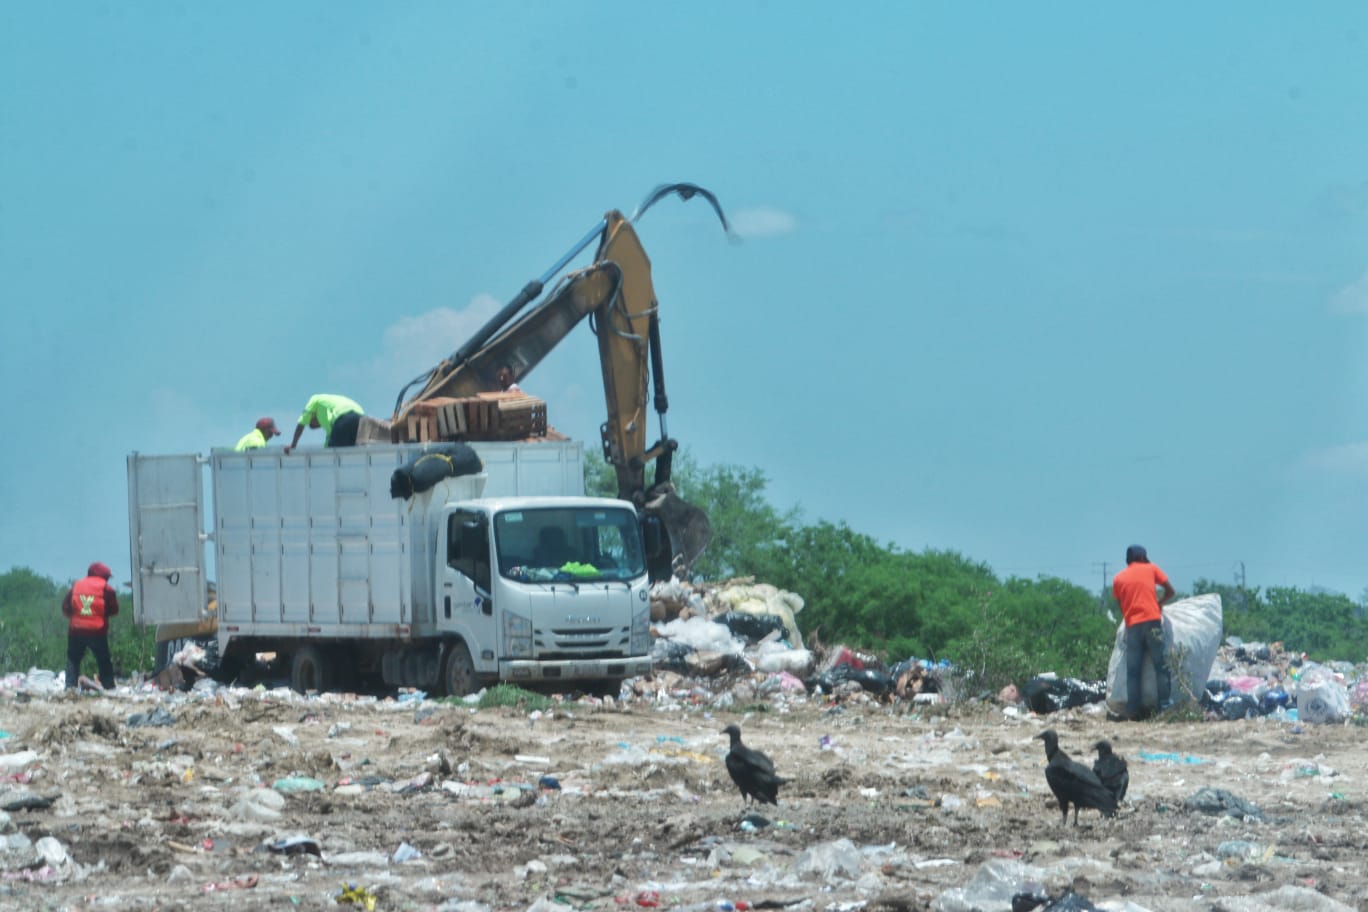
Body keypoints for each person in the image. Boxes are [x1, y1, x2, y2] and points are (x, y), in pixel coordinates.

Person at [1112, 544, 1177, 720]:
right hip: (1153, 622)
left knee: (1133, 671)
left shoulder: (1118, 578)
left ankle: (1134, 710)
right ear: (1143, 557)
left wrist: (1130, 618)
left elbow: (1121, 606)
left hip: (1133, 625)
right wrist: (1159, 603)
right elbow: (1171, 591)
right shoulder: (1151, 568)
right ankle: (1164, 708)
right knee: (1161, 667)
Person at [63, 561, 119, 691]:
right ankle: (109, 686)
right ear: (104, 576)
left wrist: (76, 617)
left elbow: (65, 607)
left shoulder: (76, 585)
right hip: (97, 631)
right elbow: (114, 609)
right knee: (103, 660)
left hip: (76, 630)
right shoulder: (107, 588)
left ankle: (70, 687)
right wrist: (101, 614)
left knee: (73, 659)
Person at [283, 394, 365, 453]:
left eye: (311, 423)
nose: (315, 426)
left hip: (343, 417)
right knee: (351, 453)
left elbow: (301, 423)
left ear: (313, 414)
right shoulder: (330, 421)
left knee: (333, 456)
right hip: (361, 419)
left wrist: (293, 445)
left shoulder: (315, 399)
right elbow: (327, 447)